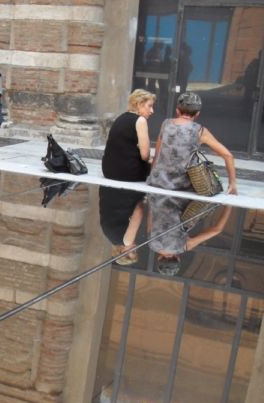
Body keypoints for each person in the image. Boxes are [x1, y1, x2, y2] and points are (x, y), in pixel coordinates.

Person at [146, 92, 237, 275]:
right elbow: (228, 155)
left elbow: (217, 229)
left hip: (158, 182)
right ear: (197, 114)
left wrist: (227, 207)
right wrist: (232, 184)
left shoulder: (166, 124)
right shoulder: (151, 242)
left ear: (177, 110)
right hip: (180, 186)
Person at [99, 89, 155, 265]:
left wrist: (144, 201)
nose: (151, 111)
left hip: (118, 172)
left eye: (133, 253)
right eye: (150, 106)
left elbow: (138, 212)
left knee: (154, 164)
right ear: (139, 105)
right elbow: (143, 153)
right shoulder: (107, 234)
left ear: (123, 251)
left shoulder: (127, 119)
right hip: (113, 172)